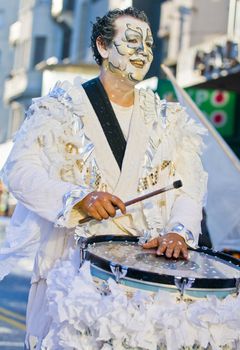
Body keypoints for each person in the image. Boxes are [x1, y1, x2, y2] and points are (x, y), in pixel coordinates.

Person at [0, 7, 207, 349]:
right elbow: (20, 170)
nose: (143, 51)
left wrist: (178, 231)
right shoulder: (59, 108)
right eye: (131, 41)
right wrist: (78, 198)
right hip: (73, 272)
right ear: (103, 45)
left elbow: (190, 186)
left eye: (149, 43)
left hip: (144, 279)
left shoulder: (170, 119)